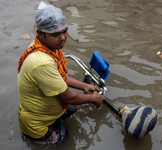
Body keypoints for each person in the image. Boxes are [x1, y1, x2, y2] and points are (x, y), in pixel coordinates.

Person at [17, 1, 105, 145]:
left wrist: (84, 86)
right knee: (64, 142)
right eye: (56, 34)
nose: (63, 37)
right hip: (36, 124)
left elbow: (59, 76)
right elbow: (68, 97)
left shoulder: (44, 47)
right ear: (40, 33)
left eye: (64, 31)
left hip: (40, 108)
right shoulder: (42, 62)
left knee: (72, 109)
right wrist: (93, 98)